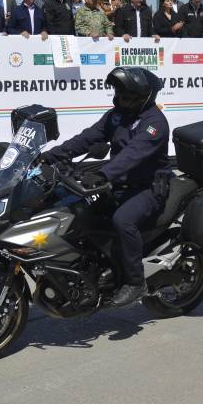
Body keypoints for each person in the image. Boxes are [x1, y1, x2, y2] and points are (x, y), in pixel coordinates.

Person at [39, 67, 170, 307]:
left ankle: (135, 282)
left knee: (123, 220)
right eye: (118, 94)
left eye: (127, 96)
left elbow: (133, 154)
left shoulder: (154, 123)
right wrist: (50, 156)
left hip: (147, 187)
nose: (121, 100)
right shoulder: (117, 115)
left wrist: (103, 174)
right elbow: (88, 138)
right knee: (74, 210)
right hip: (118, 183)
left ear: (144, 97)